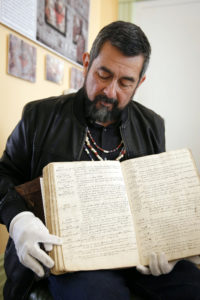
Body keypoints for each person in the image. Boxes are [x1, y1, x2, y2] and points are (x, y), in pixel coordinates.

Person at [0, 20, 200, 300]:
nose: (110, 91)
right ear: (86, 63)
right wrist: (18, 219)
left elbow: (156, 200)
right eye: (103, 75)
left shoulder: (153, 125)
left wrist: (170, 246)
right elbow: (3, 176)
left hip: (135, 260)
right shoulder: (39, 117)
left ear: (140, 82)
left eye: (125, 82)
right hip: (69, 261)